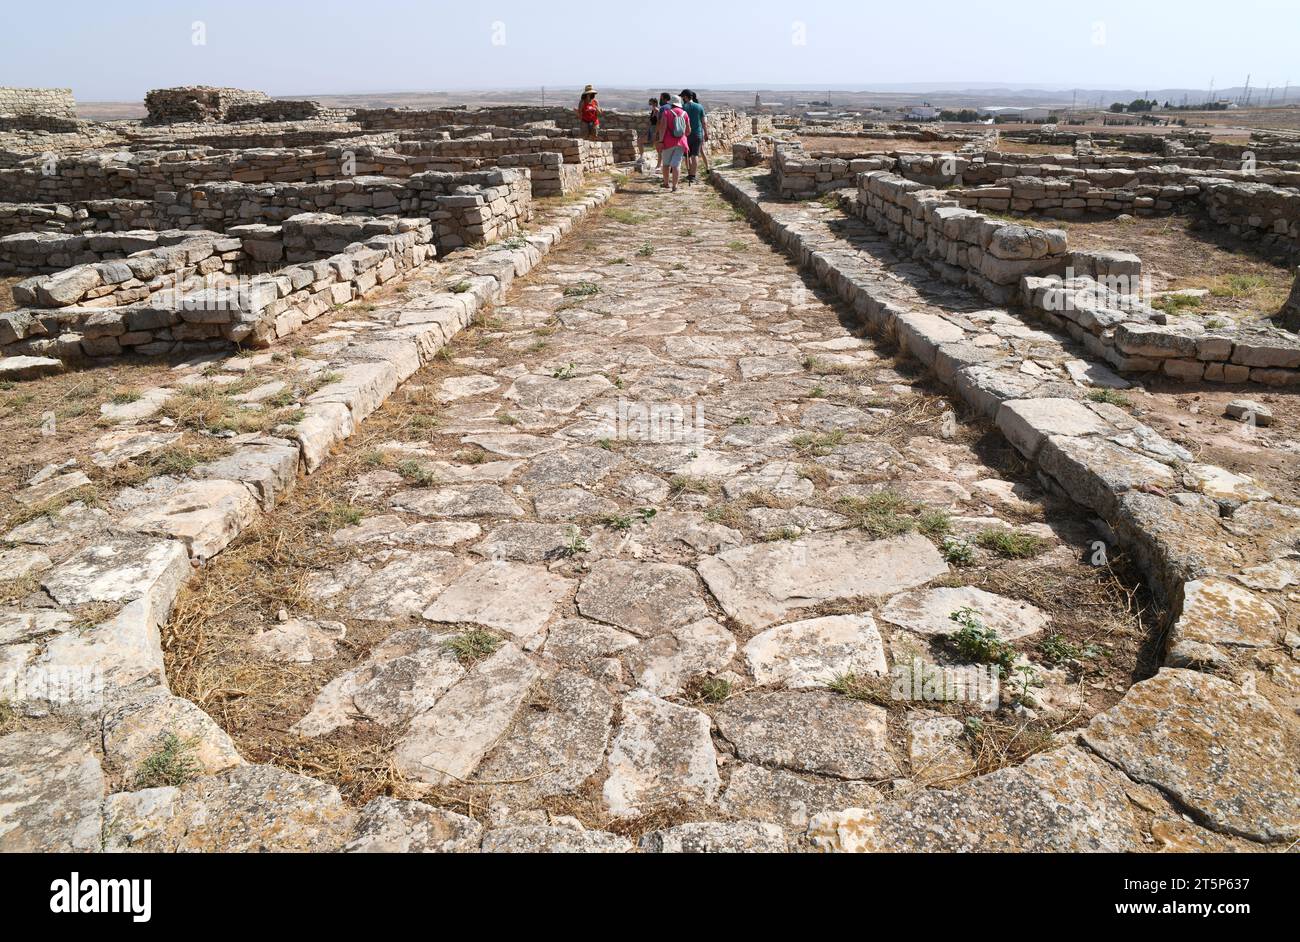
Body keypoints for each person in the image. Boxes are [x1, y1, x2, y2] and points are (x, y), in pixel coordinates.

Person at [656, 94, 691, 192]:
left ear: (671, 104)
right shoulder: (685, 114)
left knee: (666, 164)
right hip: (681, 143)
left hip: (667, 142)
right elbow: (688, 131)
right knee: (676, 165)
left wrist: (661, 141)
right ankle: (675, 186)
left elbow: (662, 128)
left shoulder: (667, 113)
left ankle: (666, 183)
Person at [680, 89, 709, 184]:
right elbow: (703, 122)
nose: (682, 98)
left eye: (682, 97)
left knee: (687, 156)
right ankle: (693, 176)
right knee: (695, 155)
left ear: (685, 97)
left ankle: (689, 173)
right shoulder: (699, 106)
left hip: (686, 135)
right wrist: (706, 133)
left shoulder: (683, 107)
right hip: (698, 134)